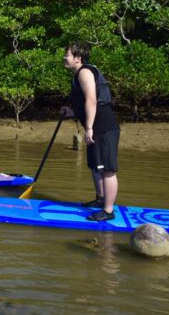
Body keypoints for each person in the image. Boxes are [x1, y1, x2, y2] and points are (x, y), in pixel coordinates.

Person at [59, 43, 120, 222]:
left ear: (78, 58)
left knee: (107, 169)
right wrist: (72, 113)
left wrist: (90, 128)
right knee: (95, 166)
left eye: (67, 54)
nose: (64, 57)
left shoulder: (84, 72)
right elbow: (84, 104)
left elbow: (92, 100)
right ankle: (100, 199)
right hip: (95, 126)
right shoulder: (80, 74)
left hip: (103, 127)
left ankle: (108, 210)